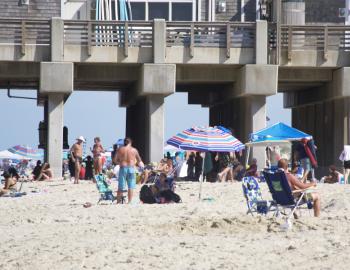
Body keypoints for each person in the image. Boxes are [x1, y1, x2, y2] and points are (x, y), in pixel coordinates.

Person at [113, 137, 144, 203]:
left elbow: (115, 160)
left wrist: (120, 163)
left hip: (123, 168)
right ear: (131, 142)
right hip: (131, 169)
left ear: (124, 142)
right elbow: (139, 160)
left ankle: (118, 202)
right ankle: (129, 202)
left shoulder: (120, 149)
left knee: (120, 186)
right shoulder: (134, 150)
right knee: (131, 186)